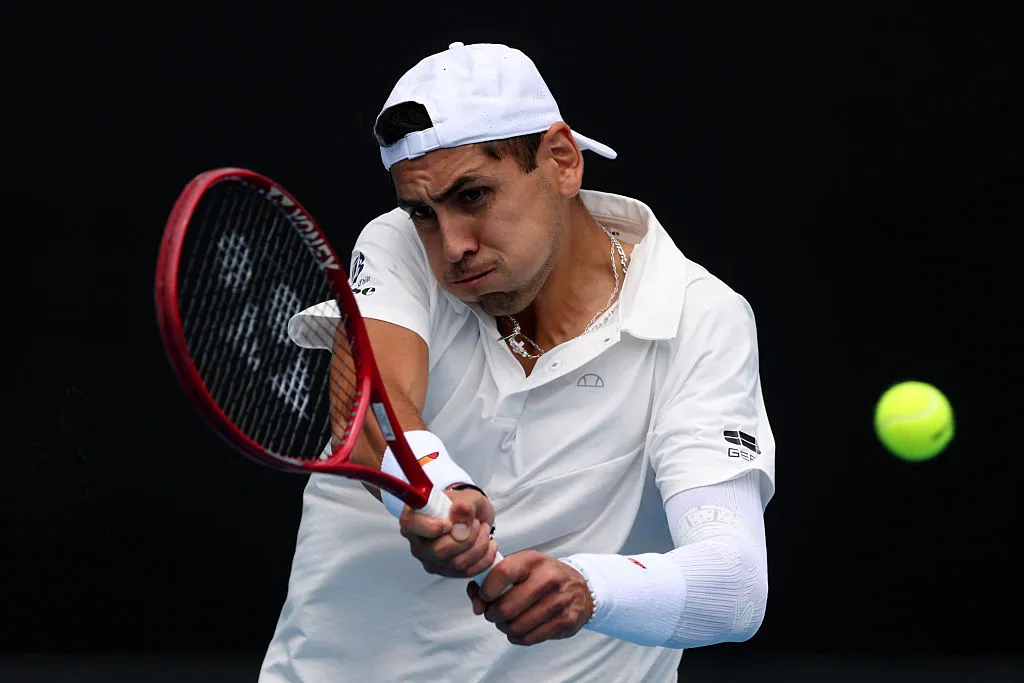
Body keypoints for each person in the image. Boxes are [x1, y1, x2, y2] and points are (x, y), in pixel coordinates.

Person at [261, 41, 776, 683]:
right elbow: (368, 407)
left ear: (562, 160)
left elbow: (733, 587)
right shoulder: (398, 247)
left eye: (473, 196)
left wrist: (590, 588)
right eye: (422, 212)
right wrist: (439, 491)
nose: (452, 246)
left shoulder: (702, 316)